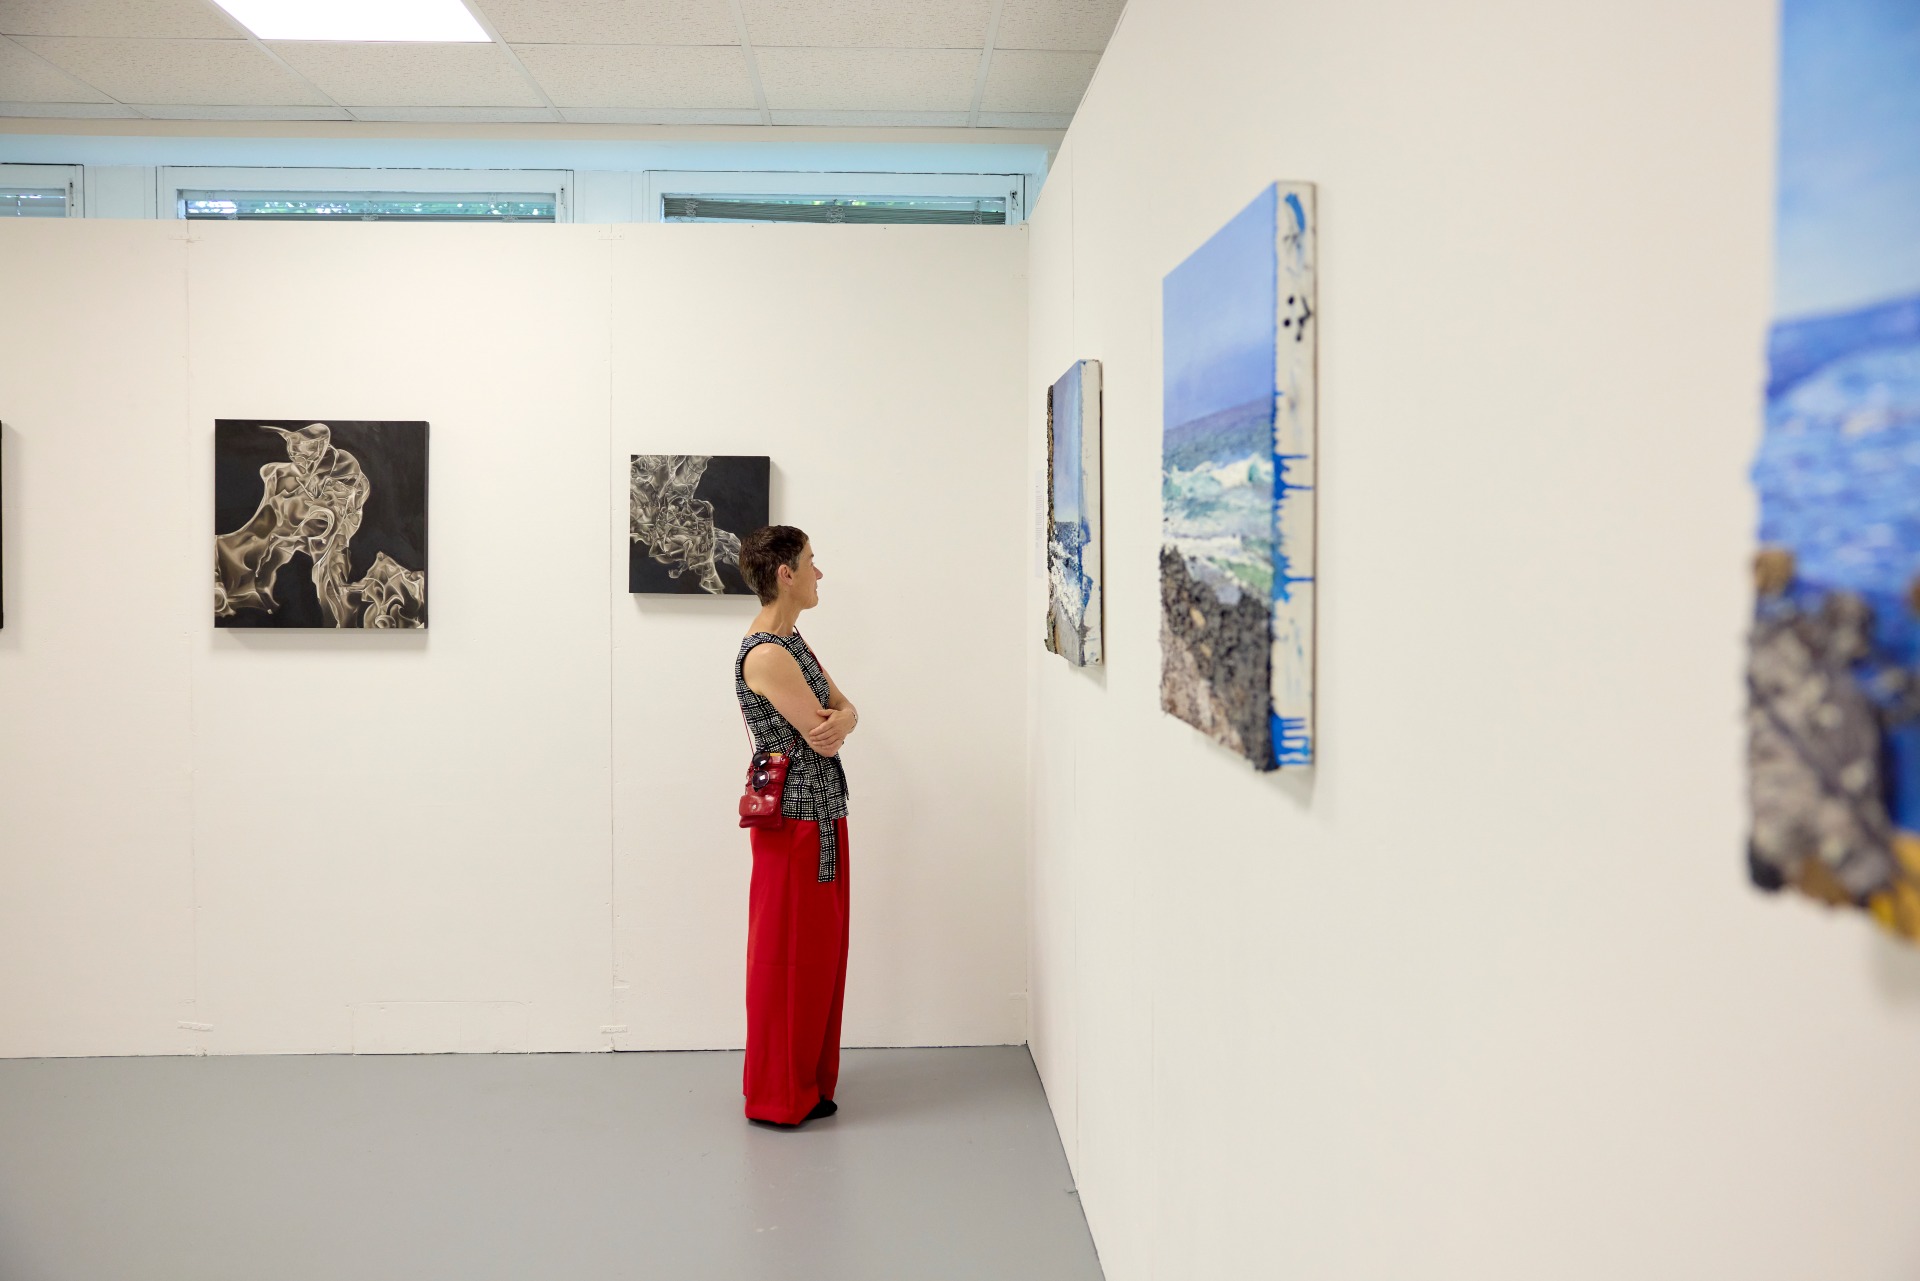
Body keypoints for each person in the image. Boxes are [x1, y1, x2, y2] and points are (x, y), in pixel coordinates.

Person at [734, 525, 857, 1127]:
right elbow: (824, 732)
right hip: (794, 823)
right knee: (788, 957)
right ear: (785, 573)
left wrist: (846, 717)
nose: (819, 573)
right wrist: (841, 720)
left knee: (820, 953)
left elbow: (846, 710)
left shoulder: (794, 642)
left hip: (821, 814)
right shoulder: (768, 654)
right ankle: (782, 1093)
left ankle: (806, 1082)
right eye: (811, 562)